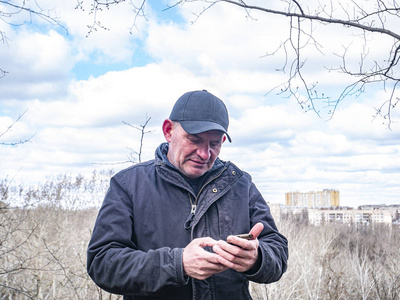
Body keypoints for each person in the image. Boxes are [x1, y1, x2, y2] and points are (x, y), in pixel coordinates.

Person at [87, 90, 288, 300]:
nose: (204, 154)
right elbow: (102, 263)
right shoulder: (128, 185)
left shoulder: (240, 184)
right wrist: (178, 263)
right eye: (194, 140)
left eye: (214, 144)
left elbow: (278, 253)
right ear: (168, 131)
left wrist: (257, 258)